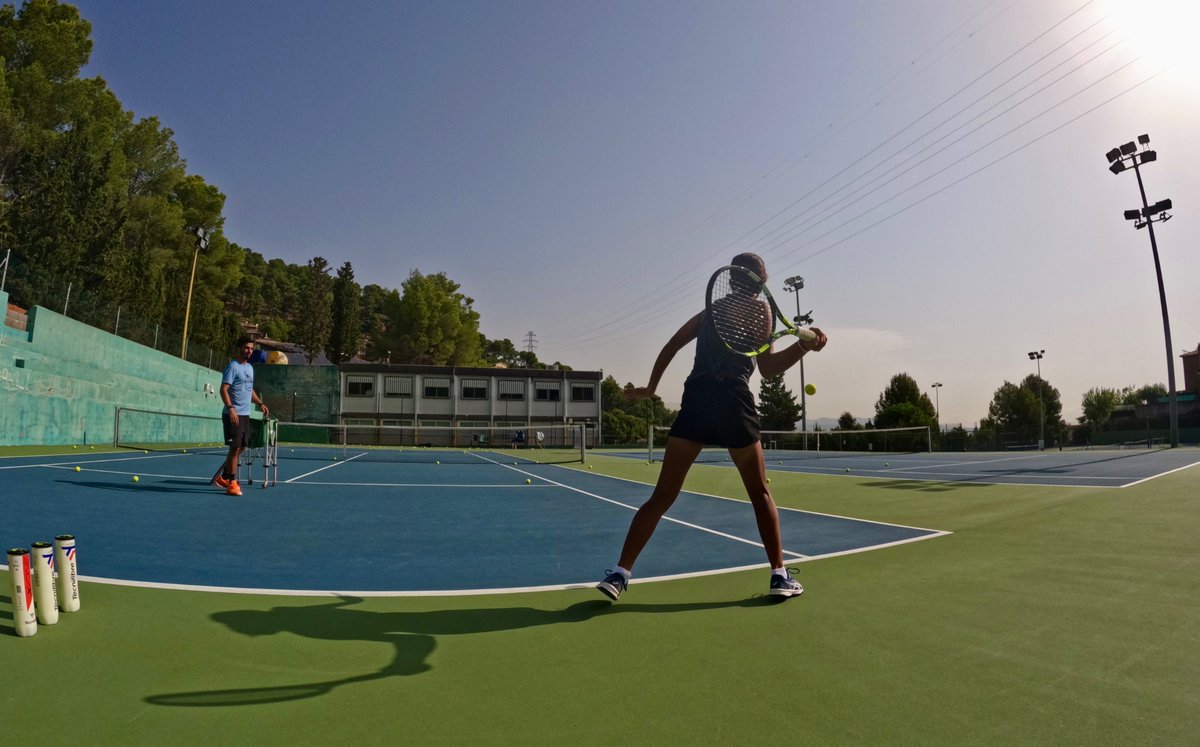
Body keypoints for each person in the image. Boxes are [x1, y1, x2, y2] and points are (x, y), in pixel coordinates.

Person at [597, 253, 827, 601]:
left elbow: (672, 344)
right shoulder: (763, 312)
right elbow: (768, 369)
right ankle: (779, 576)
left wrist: (651, 388)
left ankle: (619, 574)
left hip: (698, 399)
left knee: (663, 495)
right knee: (760, 493)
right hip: (734, 401)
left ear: (733, 277)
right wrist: (804, 347)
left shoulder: (711, 311)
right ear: (758, 278)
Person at [214, 336, 269, 497]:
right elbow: (223, 389)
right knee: (235, 448)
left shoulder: (250, 368)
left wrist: (260, 403)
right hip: (233, 415)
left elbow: (249, 389)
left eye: (251, 349)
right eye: (246, 348)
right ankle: (231, 482)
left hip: (245, 415)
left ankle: (224, 476)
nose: (249, 351)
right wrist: (231, 408)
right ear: (239, 348)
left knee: (242, 447)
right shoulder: (233, 366)